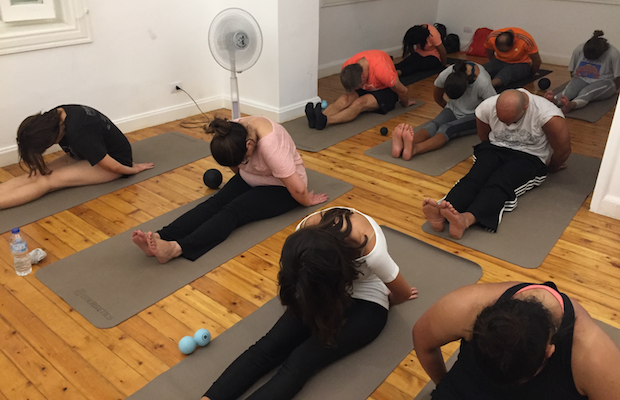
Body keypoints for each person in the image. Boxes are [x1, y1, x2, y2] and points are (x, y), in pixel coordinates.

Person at [201, 207, 418, 400]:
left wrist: (388, 298)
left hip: (367, 299)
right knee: (269, 346)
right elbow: (300, 279)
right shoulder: (305, 235)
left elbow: (402, 293)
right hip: (319, 289)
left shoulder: (371, 249)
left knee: (302, 359)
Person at [132, 116, 328, 264]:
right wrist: (241, 171)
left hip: (282, 188)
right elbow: (235, 166)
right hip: (251, 178)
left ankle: (176, 248)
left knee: (234, 210)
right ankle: (161, 236)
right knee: (214, 203)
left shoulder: (270, 146)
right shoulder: (230, 133)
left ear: (249, 145)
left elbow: (297, 188)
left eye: (243, 160)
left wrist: (306, 201)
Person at [412, 281, 620, 399]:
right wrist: (444, 384)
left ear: (549, 351)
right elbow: (422, 340)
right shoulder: (466, 308)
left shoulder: (594, 358)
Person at [422, 89, 571, 239]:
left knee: (500, 181)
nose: (507, 125)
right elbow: (485, 137)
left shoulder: (549, 115)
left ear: (525, 108)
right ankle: (443, 211)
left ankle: (465, 220)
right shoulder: (486, 107)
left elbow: (563, 151)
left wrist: (551, 168)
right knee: (476, 176)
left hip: (529, 156)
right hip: (495, 148)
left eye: (511, 121)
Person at [0, 104, 154, 210]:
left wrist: (132, 169)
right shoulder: (54, 116)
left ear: (52, 138)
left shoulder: (79, 132)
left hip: (115, 161)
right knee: (37, 172)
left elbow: (111, 165)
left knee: (48, 180)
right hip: (83, 153)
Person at [392, 61, 496, 160]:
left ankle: (415, 149)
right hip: (453, 108)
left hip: (475, 115)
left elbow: (494, 109)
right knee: (433, 125)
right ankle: (403, 146)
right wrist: (447, 110)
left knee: (446, 128)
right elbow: (438, 95)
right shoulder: (449, 72)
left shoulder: (483, 83)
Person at [305, 50, 416, 130]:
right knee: (345, 98)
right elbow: (351, 89)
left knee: (359, 103)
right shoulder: (348, 67)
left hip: (386, 90)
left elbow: (403, 91)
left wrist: (405, 103)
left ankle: (326, 121)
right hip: (365, 86)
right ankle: (318, 117)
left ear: (362, 77)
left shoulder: (383, 72)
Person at [545, 30, 620, 114]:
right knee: (569, 91)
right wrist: (574, 83)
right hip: (581, 78)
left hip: (604, 81)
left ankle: (571, 105)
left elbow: (618, 76)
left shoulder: (613, 53)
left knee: (586, 92)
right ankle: (555, 100)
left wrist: (614, 90)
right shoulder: (579, 49)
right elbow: (572, 70)